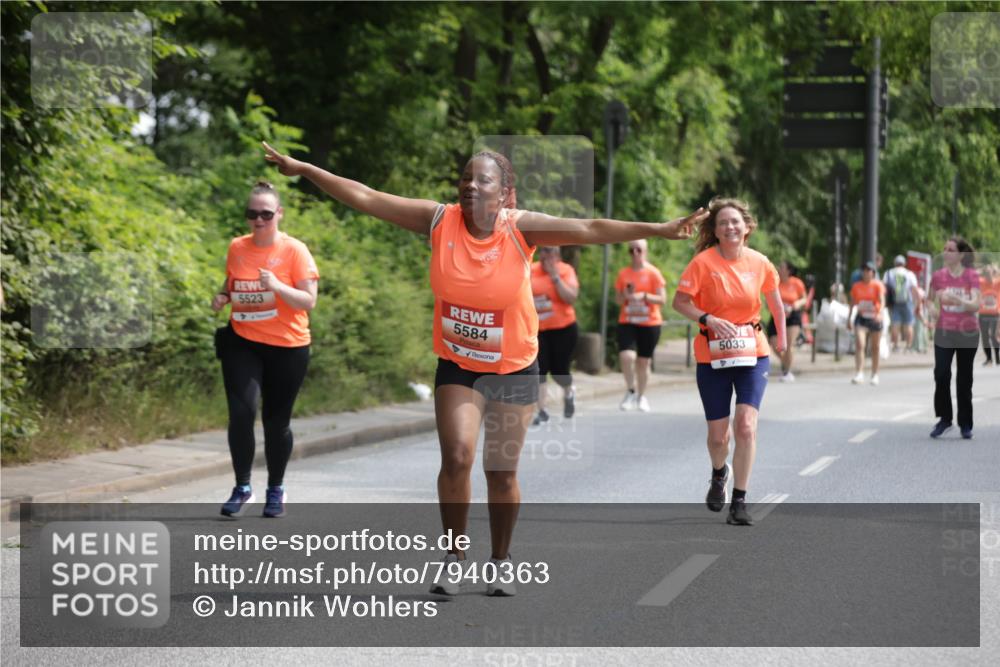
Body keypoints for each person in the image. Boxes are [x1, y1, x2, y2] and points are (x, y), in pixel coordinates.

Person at [261, 141, 706, 595]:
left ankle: (500, 559)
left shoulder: (521, 229)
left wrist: (659, 228)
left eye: (483, 180)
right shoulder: (440, 219)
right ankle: (454, 556)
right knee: (456, 456)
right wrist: (304, 168)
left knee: (500, 470)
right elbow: (367, 196)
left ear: (506, 193)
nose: (470, 186)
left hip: (514, 365)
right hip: (458, 363)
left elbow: (590, 226)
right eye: (465, 178)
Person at [673, 197, 785, 527]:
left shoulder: (760, 262)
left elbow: (776, 304)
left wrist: (783, 338)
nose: (730, 227)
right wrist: (707, 317)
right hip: (713, 355)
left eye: (735, 221)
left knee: (746, 426)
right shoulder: (702, 263)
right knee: (718, 438)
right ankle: (719, 473)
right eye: (723, 223)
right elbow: (680, 302)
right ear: (716, 231)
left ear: (746, 227)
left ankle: (740, 501)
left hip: (753, 352)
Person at [211, 181, 319, 518]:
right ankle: (242, 486)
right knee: (241, 413)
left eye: (266, 214)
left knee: (276, 423)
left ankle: (276, 488)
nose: (258, 220)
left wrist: (276, 285)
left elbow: (309, 300)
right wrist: (224, 296)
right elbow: (232, 281)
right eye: (252, 214)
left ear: (279, 215)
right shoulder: (237, 247)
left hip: (288, 347)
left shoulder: (295, 251)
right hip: (243, 341)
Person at [928, 237, 981, 439]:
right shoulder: (938, 276)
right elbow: (929, 300)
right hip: (944, 331)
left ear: (960, 254)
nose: (946, 252)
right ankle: (944, 419)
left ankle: (965, 423)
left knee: (964, 379)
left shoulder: (971, 276)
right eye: (944, 248)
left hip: (967, 332)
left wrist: (956, 298)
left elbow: (975, 305)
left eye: (950, 249)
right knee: (941, 374)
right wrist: (933, 310)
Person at [615, 239, 667, 412]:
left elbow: (662, 299)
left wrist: (644, 296)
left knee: (643, 362)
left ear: (645, 251)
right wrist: (625, 295)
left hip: (649, 322)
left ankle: (641, 396)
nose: (635, 253)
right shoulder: (624, 273)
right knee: (627, 357)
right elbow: (618, 300)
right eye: (631, 250)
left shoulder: (653, 273)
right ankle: (630, 390)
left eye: (638, 249)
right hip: (628, 321)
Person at [531, 246, 579, 424]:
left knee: (559, 371)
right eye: (543, 251)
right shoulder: (531, 269)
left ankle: (569, 392)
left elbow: (571, 297)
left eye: (550, 251)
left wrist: (555, 277)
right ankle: (542, 411)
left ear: (557, 255)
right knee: (539, 370)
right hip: (538, 330)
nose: (545, 255)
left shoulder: (566, 270)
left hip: (563, 329)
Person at [767, 260, 806, 382]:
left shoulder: (797, 283)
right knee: (774, 345)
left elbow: (804, 299)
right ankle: (786, 363)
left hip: (792, 317)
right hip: (777, 316)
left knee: (789, 345)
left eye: (782, 267)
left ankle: (787, 372)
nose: (779, 268)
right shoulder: (775, 282)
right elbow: (769, 298)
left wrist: (796, 304)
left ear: (788, 270)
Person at [847, 261, 885, 385]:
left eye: (868, 270)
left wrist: (880, 313)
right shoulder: (856, 286)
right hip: (861, 317)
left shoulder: (877, 285)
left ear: (873, 273)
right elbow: (852, 303)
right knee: (860, 344)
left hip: (874, 317)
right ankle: (859, 373)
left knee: (875, 347)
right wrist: (849, 318)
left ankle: (875, 374)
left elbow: (882, 300)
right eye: (864, 270)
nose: (866, 273)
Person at [883, 255, 920, 353]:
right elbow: (915, 289)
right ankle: (908, 347)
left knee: (895, 324)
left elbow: (884, 288)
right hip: (908, 301)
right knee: (908, 324)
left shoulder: (889, 273)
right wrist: (918, 303)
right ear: (904, 263)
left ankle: (895, 346)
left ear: (895, 263)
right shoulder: (909, 274)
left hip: (894, 302)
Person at [978, 263, 999, 366]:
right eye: (986, 274)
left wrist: (996, 270)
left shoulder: (997, 282)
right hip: (983, 314)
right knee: (985, 337)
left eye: (989, 273)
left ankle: (998, 358)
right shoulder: (981, 282)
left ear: (993, 274)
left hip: (995, 314)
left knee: (994, 336)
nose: (988, 276)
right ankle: (989, 359)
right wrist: (982, 269)